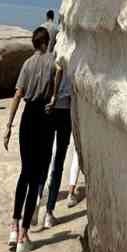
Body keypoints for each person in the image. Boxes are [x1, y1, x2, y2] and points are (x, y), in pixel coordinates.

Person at [3, 25, 56, 252]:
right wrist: (54, 98)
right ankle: (24, 235)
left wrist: (8, 125)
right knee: (36, 178)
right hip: (44, 118)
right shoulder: (52, 62)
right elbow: (59, 78)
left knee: (25, 173)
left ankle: (13, 226)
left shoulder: (26, 64)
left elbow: (18, 94)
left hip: (27, 118)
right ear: (45, 42)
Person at [41, 52, 75, 228]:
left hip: (49, 109)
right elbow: (62, 72)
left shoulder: (51, 55)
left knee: (45, 158)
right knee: (58, 161)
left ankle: (35, 204)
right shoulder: (67, 51)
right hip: (64, 110)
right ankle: (48, 212)